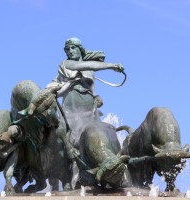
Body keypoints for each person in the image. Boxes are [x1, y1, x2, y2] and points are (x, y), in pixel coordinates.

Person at [46, 37, 131, 188]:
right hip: (72, 114)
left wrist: (96, 98)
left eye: (73, 48)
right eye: (67, 49)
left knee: (103, 137)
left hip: (90, 113)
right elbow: (83, 64)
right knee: (73, 143)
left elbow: (91, 90)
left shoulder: (89, 70)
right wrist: (110, 66)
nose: (70, 51)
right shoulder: (66, 64)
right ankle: (72, 180)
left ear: (80, 49)